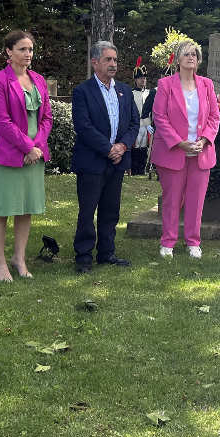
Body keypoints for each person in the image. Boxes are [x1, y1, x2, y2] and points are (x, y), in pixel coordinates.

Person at [0, 30, 53, 282]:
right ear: (9, 52)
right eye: (22, 49)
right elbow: (2, 121)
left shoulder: (38, 79)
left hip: (35, 155)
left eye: (31, 50)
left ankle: (19, 258)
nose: (28, 54)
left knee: (26, 208)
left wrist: (36, 147)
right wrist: (27, 147)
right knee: (3, 208)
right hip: (8, 154)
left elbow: (46, 117)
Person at [70, 41, 140, 273]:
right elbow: (84, 126)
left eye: (115, 60)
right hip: (92, 161)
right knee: (88, 210)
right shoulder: (82, 91)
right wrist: (108, 149)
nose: (113, 64)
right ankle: (83, 256)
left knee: (111, 210)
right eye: (108, 59)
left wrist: (122, 146)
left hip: (118, 161)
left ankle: (106, 253)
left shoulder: (125, 90)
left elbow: (133, 122)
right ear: (95, 62)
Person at [150, 40, 220, 259]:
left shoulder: (207, 85)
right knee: (172, 200)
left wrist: (205, 139)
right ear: (178, 59)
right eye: (187, 54)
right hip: (173, 152)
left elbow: (214, 117)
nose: (191, 57)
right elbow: (159, 117)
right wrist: (178, 142)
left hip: (200, 153)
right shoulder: (165, 85)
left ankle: (193, 242)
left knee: (196, 200)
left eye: (195, 55)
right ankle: (168, 242)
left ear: (198, 61)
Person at [130, 59, 151, 176]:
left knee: (145, 146)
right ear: (136, 79)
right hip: (136, 124)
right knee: (135, 146)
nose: (143, 80)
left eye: (144, 78)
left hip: (147, 124)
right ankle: (134, 169)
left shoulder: (149, 93)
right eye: (140, 78)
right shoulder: (131, 93)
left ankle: (143, 169)